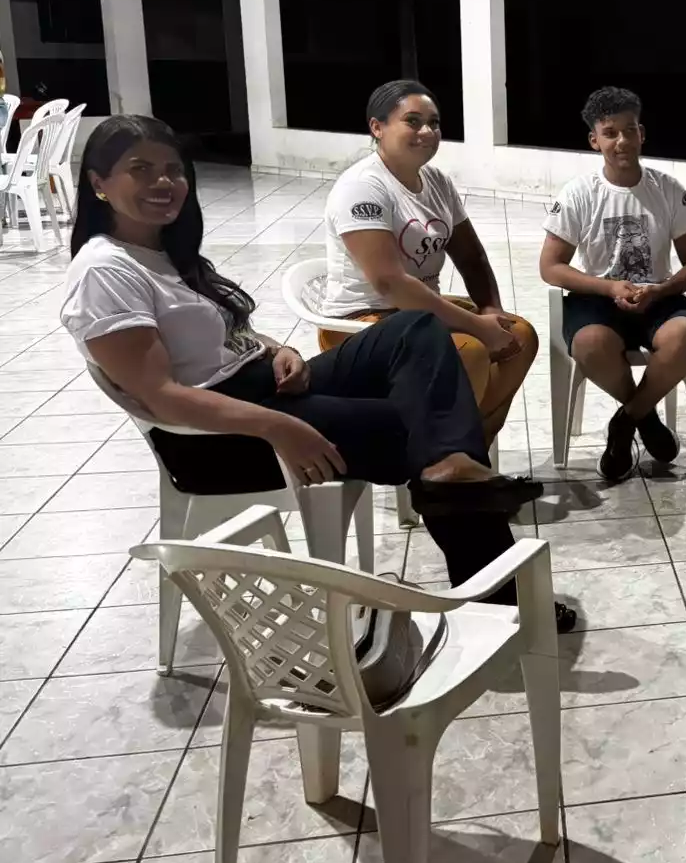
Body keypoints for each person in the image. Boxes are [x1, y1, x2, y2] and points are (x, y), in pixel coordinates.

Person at [60, 116, 573, 630]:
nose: (163, 182)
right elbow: (162, 395)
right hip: (219, 439)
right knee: (423, 431)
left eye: (173, 169)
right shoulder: (105, 271)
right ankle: (499, 589)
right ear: (99, 182)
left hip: (262, 385)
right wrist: (279, 427)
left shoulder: (165, 251)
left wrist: (280, 348)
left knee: (416, 329)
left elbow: (227, 333)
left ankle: (454, 472)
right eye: (140, 169)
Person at [319, 80, 536, 443]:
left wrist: (490, 310)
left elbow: (471, 255)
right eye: (413, 121)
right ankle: (440, 453)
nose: (427, 132)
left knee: (520, 337)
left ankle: (469, 447)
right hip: (361, 321)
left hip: (417, 314)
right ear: (377, 127)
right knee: (468, 351)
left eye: (434, 123)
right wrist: (478, 327)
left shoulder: (436, 182)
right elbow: (390, 283)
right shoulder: (361, 187)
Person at [539, 87, 686, 481]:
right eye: (610, 133)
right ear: (594, 140)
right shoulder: (580, 193)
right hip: (598, 297)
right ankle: (645, 419)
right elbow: (551, 267)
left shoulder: (667, 189)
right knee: (589, 344)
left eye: (630, 130)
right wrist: (609, 288)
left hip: (656, 294)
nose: (622, 141)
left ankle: (624, 422)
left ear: (642, 133)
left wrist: (660, 290)